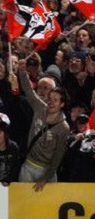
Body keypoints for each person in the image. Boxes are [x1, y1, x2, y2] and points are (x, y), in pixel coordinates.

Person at [18, 59, 70, 192]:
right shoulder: (39, 107)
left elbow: (59, 155)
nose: (51, 102)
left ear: (62, 104)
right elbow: (28, 91)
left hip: (48, 171)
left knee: (47, 209)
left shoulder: (64, 127)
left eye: (55, 100)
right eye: (50, 98)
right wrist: (23, 73)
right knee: (24, 204)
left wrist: (46, 177)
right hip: (28, 167)